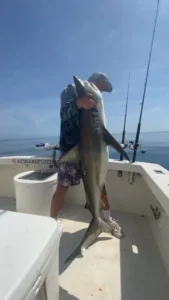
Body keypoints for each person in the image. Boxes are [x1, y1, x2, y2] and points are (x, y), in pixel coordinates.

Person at [50, 72, 124, 239]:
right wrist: (78, 103)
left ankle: (106, 219)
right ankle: (51, 223)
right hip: (71, 149)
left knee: (101, 186)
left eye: (104, 89)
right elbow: (63, 114)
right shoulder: (71, 89)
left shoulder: (97, 102)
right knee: (62, 187)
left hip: (93, 152)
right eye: (101, 85)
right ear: (94, 80)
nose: (102, 89)